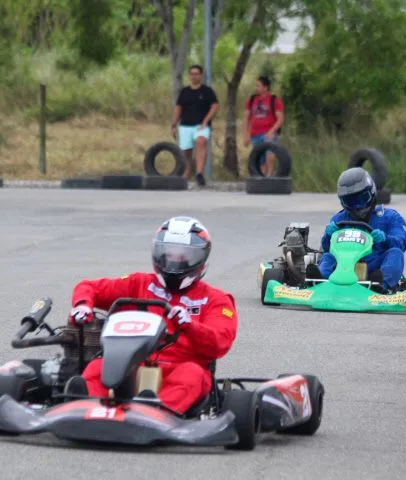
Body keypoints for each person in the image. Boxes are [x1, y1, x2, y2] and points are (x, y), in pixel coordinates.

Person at [63, 216, 238, 415]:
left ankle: (153, 412)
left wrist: (190, 326)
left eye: (183, 256)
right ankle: (85, 406)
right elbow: (89, 287)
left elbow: (220, 342)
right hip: (130, 366)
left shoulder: (216, 299)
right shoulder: (138, 284)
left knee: (193, 375)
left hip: (179, 368)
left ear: (200, 259)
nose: (174, 261)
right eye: (169, 253)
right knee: (98, 366)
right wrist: (83, 305)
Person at [306, 168, 406, 293]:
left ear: (371, 193)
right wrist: (328, 236)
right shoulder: (339, 219)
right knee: (328, 256)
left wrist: (385, 239)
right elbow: (327, 248)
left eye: (361, 199)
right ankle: (319, 282)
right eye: (350, 201)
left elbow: (402, 242)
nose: (357, 207)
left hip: (374, 266)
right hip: (343, 265)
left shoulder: (390, 217)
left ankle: (381, 287)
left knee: (395, 253)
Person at [171, 65, 219, 187]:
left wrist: (205, 121)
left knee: (201, 141)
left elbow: (214, 107)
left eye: (196, 74)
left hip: (201, 126)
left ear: (201, 75)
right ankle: (186, 173)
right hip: (185, 125)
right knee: (186, 151)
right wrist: (173, 124)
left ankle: (199, 173)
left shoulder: (207, 91)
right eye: (192, 74)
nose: (194, 76)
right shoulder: (184, 91)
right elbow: (178, 108)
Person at [243, 76, 285, 176]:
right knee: (260, 158)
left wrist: (272, 131)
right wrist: (246, 134)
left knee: (270, 152)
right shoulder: (252, 100)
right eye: (256, 85)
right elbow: (246, 118)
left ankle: (270, 174)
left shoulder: (274, 100)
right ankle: (261, 179)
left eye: (258, 86)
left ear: (265, 87)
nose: (256, 88)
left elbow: (281, 119)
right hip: (255, 134)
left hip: (268, 133)